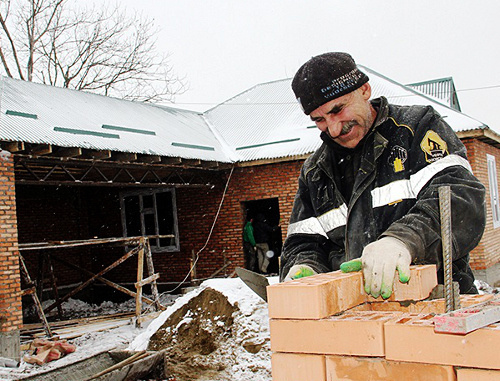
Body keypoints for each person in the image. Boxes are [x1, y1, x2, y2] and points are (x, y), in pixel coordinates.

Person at [280, 52, 486, 299]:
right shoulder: (316, 172)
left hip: (439, 305)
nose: (333, 129)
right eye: (319, 120)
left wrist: (402, 242)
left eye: (338, 110)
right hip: (356, 316)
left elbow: (461, 199)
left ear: (365, 90)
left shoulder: (416, 128)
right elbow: (303, 241)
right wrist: (305, 265)